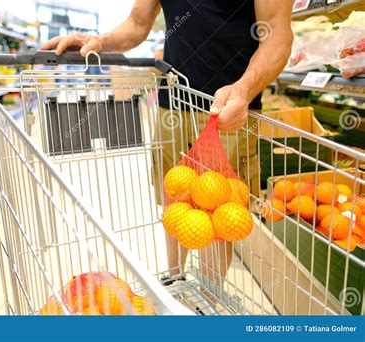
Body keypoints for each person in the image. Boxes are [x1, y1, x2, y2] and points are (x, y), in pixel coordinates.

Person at [41, 0, 293, 286]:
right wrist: (100, 40)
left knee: (219, 211)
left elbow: (278, 36)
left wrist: (244, 89)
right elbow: (137, 25)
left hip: (227, 106)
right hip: (171, 103)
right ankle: (176, 282)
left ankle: (208, 300)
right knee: (175, 200)